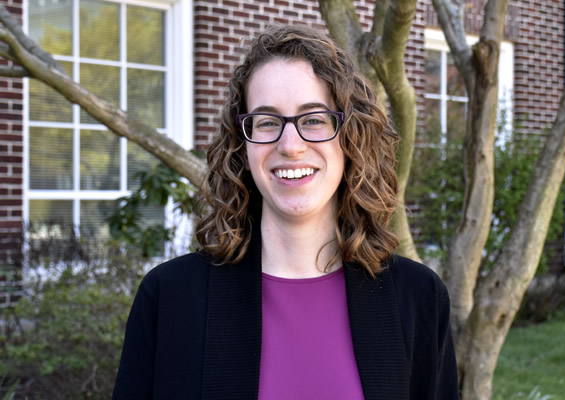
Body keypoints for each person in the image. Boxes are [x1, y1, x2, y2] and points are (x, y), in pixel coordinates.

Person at [113, 25, 459, 399]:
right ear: (241, 147)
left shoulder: (418, 298)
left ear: (350, 138)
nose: (290, 145)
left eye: (313, 119)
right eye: (267, 122)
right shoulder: (170, 298)